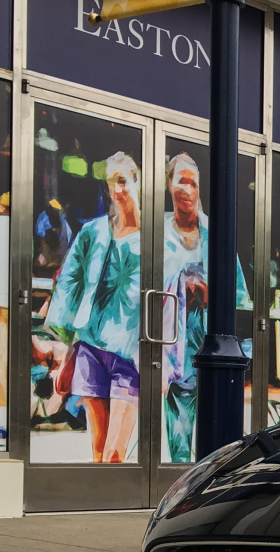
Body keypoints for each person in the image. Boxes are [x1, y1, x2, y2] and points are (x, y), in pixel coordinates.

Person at [44, 152, 143, 463]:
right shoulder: (93, 232)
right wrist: (67, 348)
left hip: (131, 351)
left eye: (123, 181)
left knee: (114, 453)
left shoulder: (153, 238)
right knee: (97, 453)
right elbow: (69, 284)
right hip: (90, 347)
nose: (117, 190)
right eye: (111, 183)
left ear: (137, 183)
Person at [161, 152, 252, 463]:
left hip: (214, 344)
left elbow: (240, 295)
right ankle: (182, 489)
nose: (188, 189)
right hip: (175, 347)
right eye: (181, 181)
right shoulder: (158, 233)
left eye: (193, 183)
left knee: (219, 436)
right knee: (180, 434)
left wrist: (207, 291)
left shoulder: (216, 233)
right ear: (168, 185)